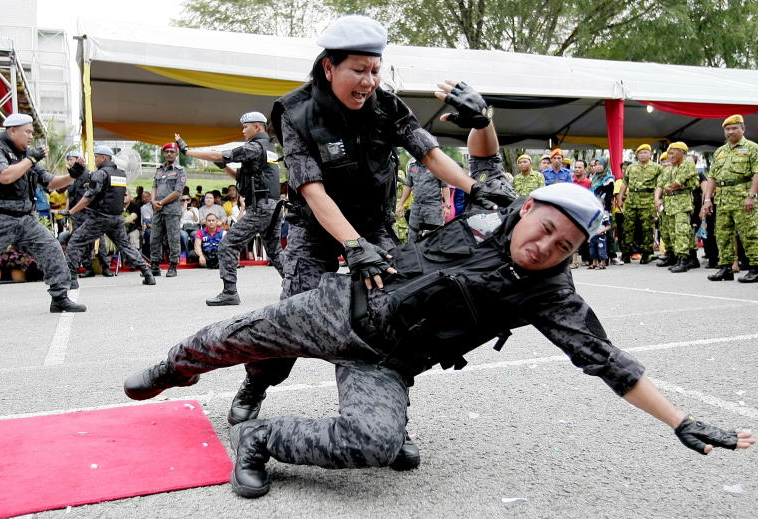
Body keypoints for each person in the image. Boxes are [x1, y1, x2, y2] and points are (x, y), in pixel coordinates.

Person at [123, 182, 754, 499]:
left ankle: (259, 439)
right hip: (338, 309)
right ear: (528, 208)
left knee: (376, 443)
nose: (543, 248)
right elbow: (481, 155)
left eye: (563, 247)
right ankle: (168, 369)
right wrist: (476, 116)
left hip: (386, 361)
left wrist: (679, 421)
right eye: (544, 229)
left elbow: (609, 362)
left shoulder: (551, 296)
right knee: (233, 339)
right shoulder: (487, 211)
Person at [220, 16, 505, 471]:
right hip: (316, 230)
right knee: (293, 321)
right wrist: (352, 246)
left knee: (391, 323)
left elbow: (428, 154)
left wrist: (474, 187)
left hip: (374, 227)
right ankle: (256, 385)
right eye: (359, 70)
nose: (369, 81)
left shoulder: (387, 107)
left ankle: (388, 417)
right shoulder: (293, 112)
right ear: (329, 67)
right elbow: (311, 189)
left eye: (375, 70)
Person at [0, 113, 85, 313]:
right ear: (12, 131)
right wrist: (31, 159)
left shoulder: (25, 156)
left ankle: (60, 297)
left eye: (32, 133)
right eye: (27, 132)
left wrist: (73, 175)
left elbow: (51, 182)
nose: (30, 136)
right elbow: (5, 176)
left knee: (51, 249)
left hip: (24, 219)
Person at [176, 110, 284, 305]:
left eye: (245, 127)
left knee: (227, 245)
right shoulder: (267, 148)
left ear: (257, 127)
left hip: (260, 206)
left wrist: (187, 151)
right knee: (275, 251)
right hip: (272, 205)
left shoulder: (254, 146)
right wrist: (222, 164)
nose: (243, 131)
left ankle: (229, 293)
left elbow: (220, 154)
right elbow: (240, 177)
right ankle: (297, 286)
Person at [61, 146, 156, 288]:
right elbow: (109, 191)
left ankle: (72, 279)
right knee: (126, 246)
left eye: (96, 157)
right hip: (116, 218)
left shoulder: (101, 173)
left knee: (75, 242)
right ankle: (148, 274)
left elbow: (88, 197)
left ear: (104, 158)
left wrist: (71, 211)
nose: (95, 159)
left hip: (99, 218)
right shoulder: (120, 174)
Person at [701, 114, 758, 282]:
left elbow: (757, 173)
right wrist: (707, 200)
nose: (731, 132)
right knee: (722, 234)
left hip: (743, 197)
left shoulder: (752, 148)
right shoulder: (720, 152)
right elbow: (712, 178)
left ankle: (755, 267)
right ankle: (725, 267)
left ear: (743, 129)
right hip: (723, 199)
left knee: (750, 233)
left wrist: (752, 196)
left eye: (734, 128)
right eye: (727, 129)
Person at [654, 142, 699, 273]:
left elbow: (679, 182)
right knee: (674, 232)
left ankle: (683, 260)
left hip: (682, 204)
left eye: (673, 153)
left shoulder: (687, 164)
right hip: (670, 204)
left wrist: (671, 187)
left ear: (682, 152)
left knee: (681, 232)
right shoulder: (668, 169)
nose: (670, 156)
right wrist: (657, 199)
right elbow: (661, 186)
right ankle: (686, 258)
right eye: (669, 153)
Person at [65, 151, 112, 278]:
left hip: (89, 212)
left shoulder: (88, 174)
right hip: (76, 214)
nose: (69, 162)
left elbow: (95, 193)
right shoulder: (71, 177)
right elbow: (69, 196)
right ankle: (87, 267)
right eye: (68, 159)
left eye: (72, 159)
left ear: (79, 160)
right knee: (80, 240)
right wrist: (67, 211)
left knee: (99, 240)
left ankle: (106, 267)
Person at [617, 144, 662, 264]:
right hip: (632, 200)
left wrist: (657, 200)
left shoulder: (657, 168)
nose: (643, 155)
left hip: (648, 200)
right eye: (641, 153)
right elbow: (624, 183)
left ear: (650, 154)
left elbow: (660, 185)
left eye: (646, 152)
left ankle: (646, 253)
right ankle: (626, 253)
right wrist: (620, 197)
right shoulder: (631, 168)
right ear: (637, 155)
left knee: (647, 228)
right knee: (627, 227)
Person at [149, 142, 186, 278]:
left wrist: (161, 202)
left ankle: (173, 266)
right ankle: (154, 266)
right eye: (167, 151)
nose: (169, 154)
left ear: (176, 154)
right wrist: (153, 201)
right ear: (164, 153)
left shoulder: (180, 170)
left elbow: (178, 192)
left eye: (172, 151)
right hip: (157, 209)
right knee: (155, 238)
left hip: (172, 210)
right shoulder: (159, 169)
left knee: (173, 238)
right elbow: (154, 186)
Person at [396, 160, 450, 242]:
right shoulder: (412, 167)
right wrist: (400, 204)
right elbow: (408, 186)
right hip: (416, 207)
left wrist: (447, 206)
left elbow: (445, 187)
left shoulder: (437, 166)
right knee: (412, 236)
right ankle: (413, 253)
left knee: (434, 236)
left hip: (433, 207)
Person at [179, 194, 200, 259]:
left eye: (187, 200)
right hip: (182, 228)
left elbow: (197, 221)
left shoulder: (195, 209)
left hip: (192, 227)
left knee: (196, 234)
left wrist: (193, 212)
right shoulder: (179, 209)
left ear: (190, 200)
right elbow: (178, 220)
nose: (185, 201)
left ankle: (196, 253)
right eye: (183, 200)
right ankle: (188, 255)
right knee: (184, 236)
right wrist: (183, 210)